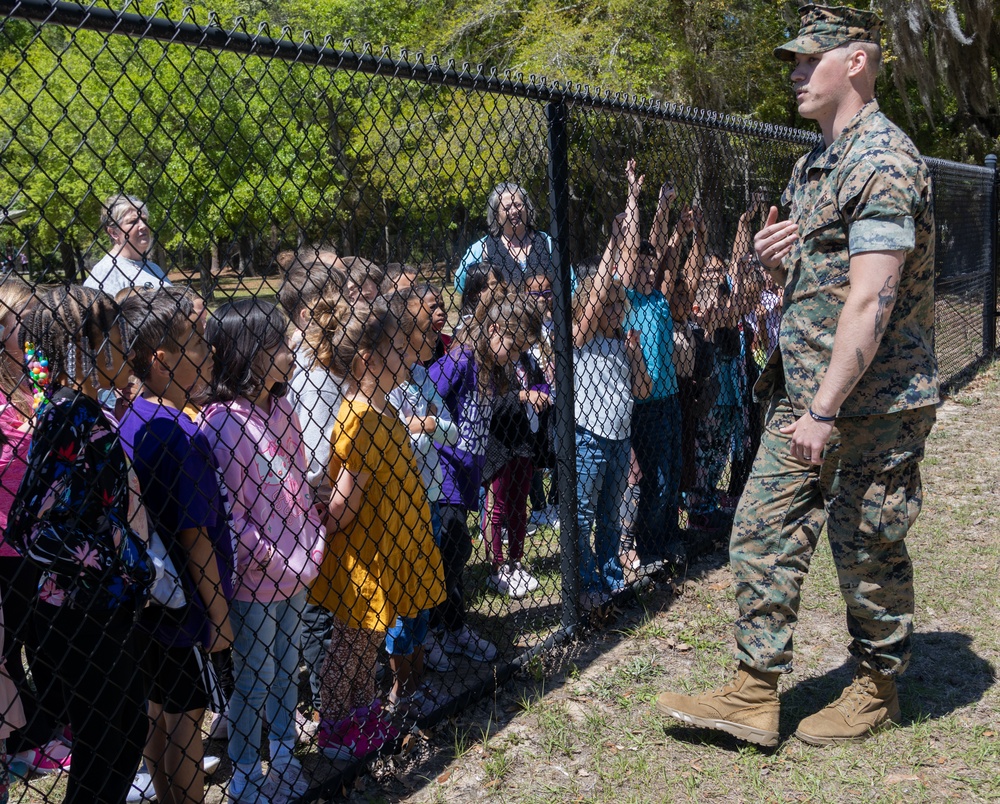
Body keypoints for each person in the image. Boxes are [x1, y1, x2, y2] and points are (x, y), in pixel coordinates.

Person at [655, 4, 938, 748]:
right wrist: (794, 256)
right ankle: (754, 693)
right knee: (761, 530)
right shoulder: (816, 164)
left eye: (810, 58)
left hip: (868, 404)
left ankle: (877, 686)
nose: (795, 73)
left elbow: (875, 294)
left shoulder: (883, 159)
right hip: (805, 394)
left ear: (858, 60)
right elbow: (835, 274)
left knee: (867, 544)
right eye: (792, 60)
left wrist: (824, 408)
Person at [7, 285, 156, 802]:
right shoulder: (69, 413)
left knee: (125, 733)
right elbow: (27, 526)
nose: (127, 348)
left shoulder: (89, 410)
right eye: (115, 336)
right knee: (106, 741)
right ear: (81, 347)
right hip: (76, 614)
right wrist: (109, 556)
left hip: (103, 607)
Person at [200, 299, 325, 803]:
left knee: (285, 667)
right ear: (246, 354)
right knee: (256, 676)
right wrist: (277, 557)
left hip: (297, 571)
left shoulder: (285, 409)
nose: (290, 351)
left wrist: (311, 543)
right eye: (277, 344)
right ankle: (248, 768)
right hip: (257, 581)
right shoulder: (222, 423)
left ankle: (285, 750)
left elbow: (299, 483)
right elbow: (232, 519)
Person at [309, 297, 445, 753]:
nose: (410, 355)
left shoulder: (384, 410)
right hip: (362, 561)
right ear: (368, 358)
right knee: (349, 649)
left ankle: (362, 715)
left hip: (386, 554)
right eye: (399, 348)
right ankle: (331, 724)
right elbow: (345, 505)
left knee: (367, 649)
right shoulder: (359, 418)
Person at [119, 287, 235, 804]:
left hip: (148, 604)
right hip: (184, 606)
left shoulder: (137, 418)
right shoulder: (178, 436)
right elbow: (195, 536)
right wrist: (219, 614)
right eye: (198, 346)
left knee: (160, 712)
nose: (210, 355)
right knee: (188, 720)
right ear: (163, 360)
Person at [572, 217, 652, 611]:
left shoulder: (622, 342)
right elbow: (599, 291)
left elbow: (644, 389)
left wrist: (635, 353)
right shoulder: (579, 339)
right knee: (582, 517)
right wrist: (615, 240)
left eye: (621, 305)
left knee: (610, 516)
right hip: (588, 437)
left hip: (620, 438)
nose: (618, 310)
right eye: (610, 304)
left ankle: (612, 578)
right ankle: (586, 583)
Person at [618, 159, 685, 569]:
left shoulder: (660, 297)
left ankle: (661, 540)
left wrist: (664, 206)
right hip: (641, 405)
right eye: (638, 265)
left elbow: (657, 246)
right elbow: (632, 245)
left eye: (649, 266)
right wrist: (634, 196)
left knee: (669, 477)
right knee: (648, 482)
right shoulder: (627, 299)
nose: (645, 268)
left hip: (669, 399)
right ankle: (644, 545)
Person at [454, 183, 553, 296]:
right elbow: (460, 283)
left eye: (518, 205)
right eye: (507, 208)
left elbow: (570, 283)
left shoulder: (548, 242)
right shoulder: (482, 247)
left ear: (527, 208)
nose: (514, 211)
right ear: (496, 216)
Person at [84, 194, 172, 297]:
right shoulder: (106, 271)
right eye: (133, 221)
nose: (143, 226)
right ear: (114, 233)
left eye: (144, 220)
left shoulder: (154, 268)